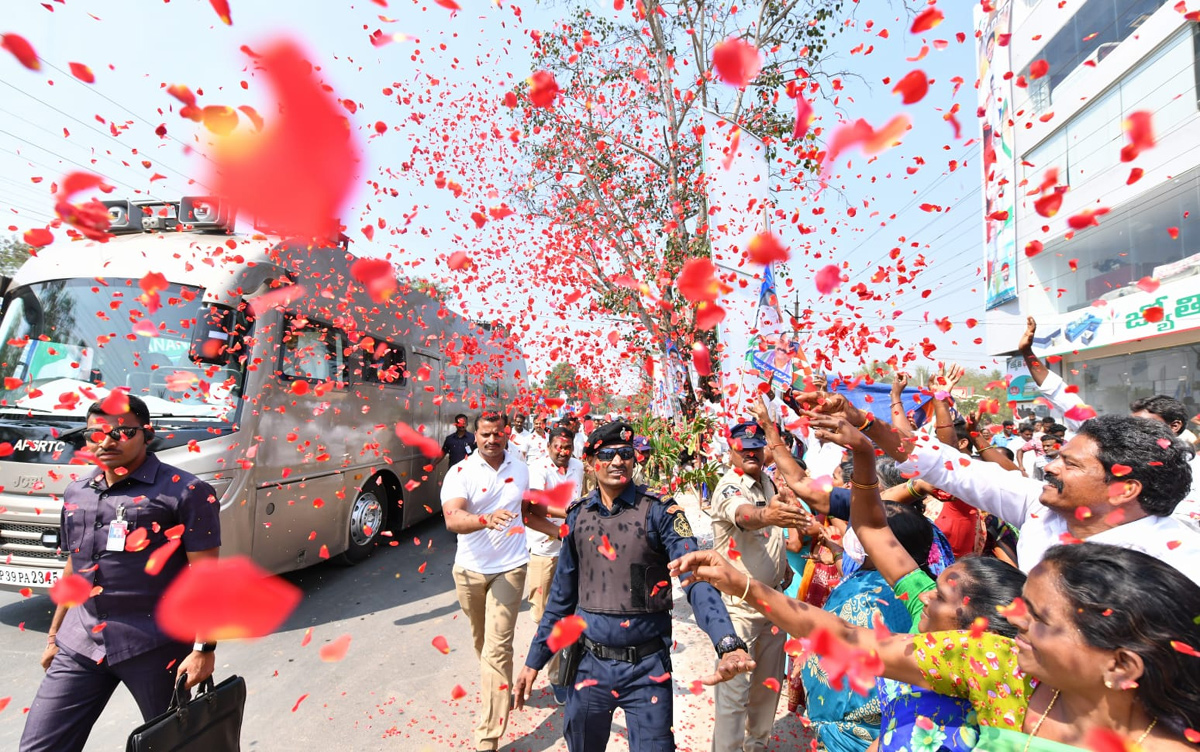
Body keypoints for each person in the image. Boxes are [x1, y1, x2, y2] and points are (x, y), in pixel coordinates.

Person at [672, 539, 1200, 752]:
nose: (1013, 624)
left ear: (1121, 664)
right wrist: (743, 584)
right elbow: (855, 640)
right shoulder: (994, 663)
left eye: (1037, 619)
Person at [513, 420, 754, 752]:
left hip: (647, 670)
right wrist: (533, 661)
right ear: (589, 462)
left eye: (625, 454)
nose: (617, 462)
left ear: (634, 459)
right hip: (590, 666)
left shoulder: (660, 512)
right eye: (607, 454)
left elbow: (695, 578)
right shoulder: (578, 517)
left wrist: (727, 642)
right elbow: (561, 599)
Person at [790, 391, 1200, 584]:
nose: (1049, 466)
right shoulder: (1041, 509)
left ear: (1124, 489)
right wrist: (864, 422)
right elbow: (950, 466)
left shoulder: (1179, 561)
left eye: (1070, 463)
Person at [806, 411, 1027, 752]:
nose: (926, 596)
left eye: (939, 595)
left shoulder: (1003, 699)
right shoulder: (925, 606)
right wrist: (863, 452)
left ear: (976, 632)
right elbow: (875, 531)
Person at [21, 395, 221, 752]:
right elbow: (76, 564)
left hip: (157, 646)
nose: (106, 441)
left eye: (121, 432)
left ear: (147, 433)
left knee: (180, 746)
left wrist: (203, 649)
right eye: (95, 434)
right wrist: (54, 635)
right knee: (40, 746)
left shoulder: (187, 492)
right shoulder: (77, 492)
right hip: (80, 644)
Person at [440, 411, 559, 752]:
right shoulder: (459, 472)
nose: (492, 440)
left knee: (497, 648)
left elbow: (528, 514)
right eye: (485, 435)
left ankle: (487, 738)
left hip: (510, 567)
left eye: (497, 434)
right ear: (474, 437)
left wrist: (565, 532)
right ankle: (500, 685)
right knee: (483, 643)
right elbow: (453, 518)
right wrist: (484, 519)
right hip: (469, 570)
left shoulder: (520, 469)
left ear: (506, 434)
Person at [709, 419, 802, 752]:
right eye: (742, 446)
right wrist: (769, 517)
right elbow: (747, 516)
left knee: (767, 687)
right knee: (734, 696)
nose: (750, 451)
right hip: (740, 609)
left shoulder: (767, 482)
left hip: (773, 602)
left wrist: (783, 569)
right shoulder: (728, 486)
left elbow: (772, 532)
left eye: (755, 446)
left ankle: (757, 746)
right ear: (731, 450)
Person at [524, 426, 584, 705]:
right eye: (558, 447)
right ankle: (551, 670)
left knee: (570, 612)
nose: (563, 452)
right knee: (544, 616)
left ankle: (561, 676)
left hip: (572, 549)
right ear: (548, 447)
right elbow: (536, 506)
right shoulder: (537, 469)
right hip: (543, 551)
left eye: (567, 447)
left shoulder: (579, 467)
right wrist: (568, 521)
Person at [1129, 394, 1200, 531]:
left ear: (1174, 426)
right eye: (1131, 425)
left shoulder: (1195, 467)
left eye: (1143, 425)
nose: (1134, 432)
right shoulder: (1125, 464)